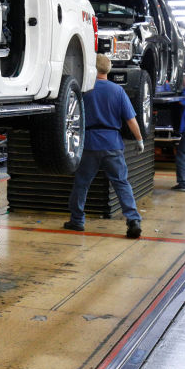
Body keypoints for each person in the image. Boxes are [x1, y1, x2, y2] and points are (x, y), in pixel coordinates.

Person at [64, 54, 145, 239]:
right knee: (121, 183)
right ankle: (133, 220)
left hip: (89, 143)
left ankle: (77, 220)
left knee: (82, 184)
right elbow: (131, 120)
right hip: (112, 143)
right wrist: (139, 139)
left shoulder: (84, 89)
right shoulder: (118, 91)